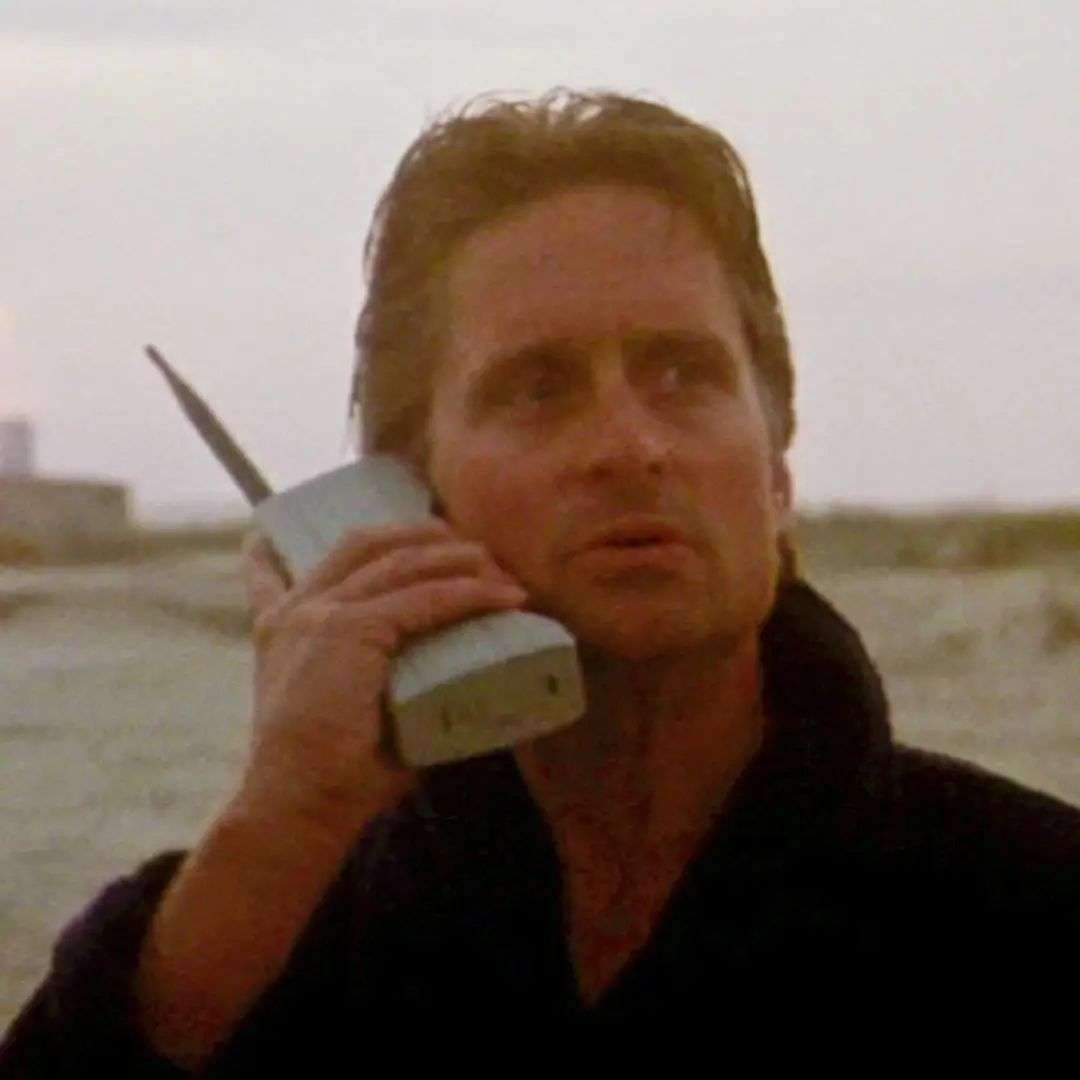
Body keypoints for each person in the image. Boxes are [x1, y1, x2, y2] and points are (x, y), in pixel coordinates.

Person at [2, 90, 1078, 1072]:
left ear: (776, 467)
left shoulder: (1026, 901)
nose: (630, 445)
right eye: (538, 388)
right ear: (406, 494)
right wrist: (280, 827)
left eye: (683, 373)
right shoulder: (266, 935)